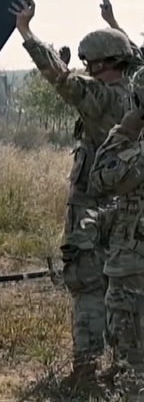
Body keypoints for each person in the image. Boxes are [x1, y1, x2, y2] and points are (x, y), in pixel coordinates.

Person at [12, 0, 137, 389]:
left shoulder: (98, 96)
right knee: (122, 287)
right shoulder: (136, 97)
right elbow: (136, 56)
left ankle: (86, 370)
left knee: (87, 286)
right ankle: (124, 368)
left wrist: (26, 31)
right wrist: (114, 23)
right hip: (126, 208)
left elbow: (59, 77)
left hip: (89, 208)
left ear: (97, 64)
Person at [89, 69, 144, 400]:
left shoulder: (137, 154)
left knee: (134, 370)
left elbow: (102, 178)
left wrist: (127, 126)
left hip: (134, 272)